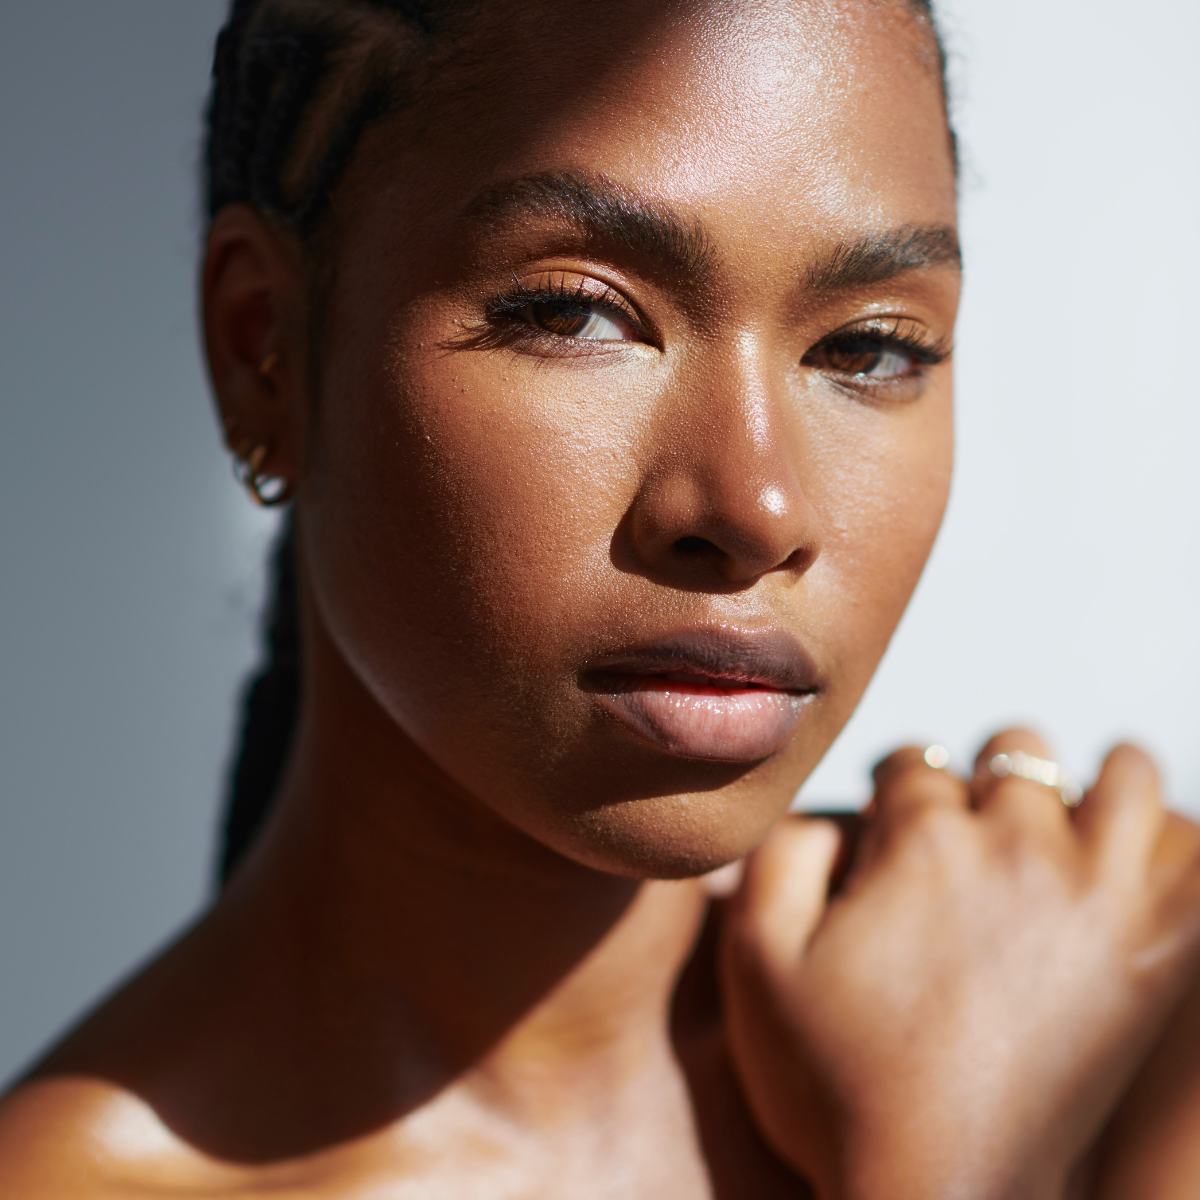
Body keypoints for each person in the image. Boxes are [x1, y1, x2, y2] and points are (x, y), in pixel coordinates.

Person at [3, 1, 1200, 1195]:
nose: (758, 510)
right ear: (262, 349)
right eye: (574, 313)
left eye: (869, 347)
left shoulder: (1115, 984)